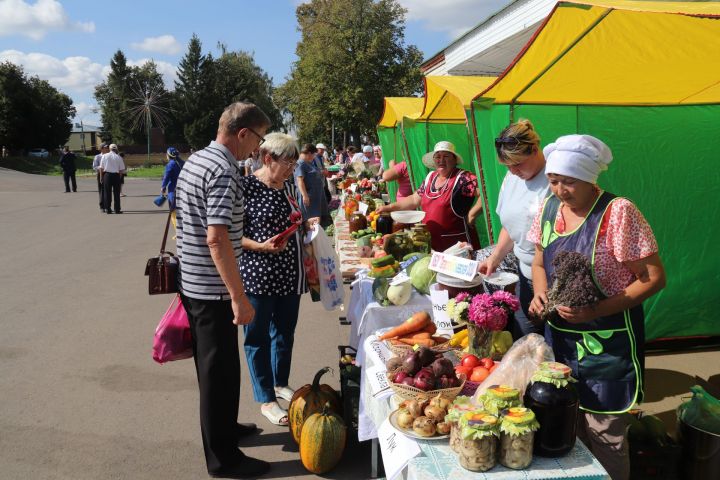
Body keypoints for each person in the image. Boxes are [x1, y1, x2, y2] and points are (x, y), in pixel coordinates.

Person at [527, 134, 666, 480]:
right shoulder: (548, 208)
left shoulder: (617, 213)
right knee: (565, 423)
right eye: (553, 180)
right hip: (559, 340)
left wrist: (596, 310)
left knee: (606, 433)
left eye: (569, 182)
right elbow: (540, 263)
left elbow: (653, 278)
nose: (560, 189)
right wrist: (539, 294)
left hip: (608, 343)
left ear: (591, 178)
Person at [175, 102, 271, 479]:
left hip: (196, 283)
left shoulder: (197, 160)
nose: (258, 150)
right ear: (243, 133)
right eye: (259, 139)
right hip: (213, 290)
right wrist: (238, 295)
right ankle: (223, 459)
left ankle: (225, 429)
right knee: (218, 373)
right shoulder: (223, 170)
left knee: (218, 368)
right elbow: (216, 239)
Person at [239, 133, 312, 426]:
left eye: (295, 163)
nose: (292, 168)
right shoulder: (247, 188)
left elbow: (293, 220)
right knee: (256, 337)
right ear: (268, 158)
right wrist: (259, 245)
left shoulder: (287, 187)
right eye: (287, 163)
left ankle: (280, 382)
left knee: (284, 332)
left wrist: (307, 224)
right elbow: (230, 235)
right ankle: (266, 399)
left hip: (289, 274)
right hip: (259, 275)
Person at [478, 119, 550, 339]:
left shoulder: (555, 179)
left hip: (553, 279)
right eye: (507, 165)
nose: (513, 170)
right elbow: (511, 226)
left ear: (535, 150)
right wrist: (495, 257)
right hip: (525, 275)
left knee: (555, 349)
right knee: (524, 339)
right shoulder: (512, 177)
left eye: (517, 164)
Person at [377, 141, 483, 251]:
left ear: (454, 160)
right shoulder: (430, 177)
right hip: (432, 244)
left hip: (458, 246)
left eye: (446, 156)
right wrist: (388, 207)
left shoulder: (463, 178)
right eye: (438, 156)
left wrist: (472, 214)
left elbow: (485, 195)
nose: (441, 160)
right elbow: (414, 199)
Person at [294, 143, 328, 222]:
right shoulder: (300, 164)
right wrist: (305, 196)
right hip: (309, 197)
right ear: (309, 153)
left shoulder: (307, 162)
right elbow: (300, 180)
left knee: (317, 220)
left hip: (315, 196)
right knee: (311, 220)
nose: (314, 157)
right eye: (314, 155)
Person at [99, 144, 126, 214]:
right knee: (116, 193)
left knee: (107, 192)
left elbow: (101, 168)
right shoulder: (119, 157)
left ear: (110, 149)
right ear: (116, 149)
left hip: (107, 175)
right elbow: (121, 170)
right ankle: (117, 209)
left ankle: (108, 209)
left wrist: (101, 177)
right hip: (116, 175)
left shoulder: (104, 156)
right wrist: (119, 177)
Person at [160, 147, 185, 211]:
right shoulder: (183, 163)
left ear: (168, 155)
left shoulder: (170, 164)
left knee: (173, 210)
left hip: (173, 189)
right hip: (184, 189)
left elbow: (166, 177)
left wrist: (163, 187)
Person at [93, 144, 109, 210]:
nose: (107, 149)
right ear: (101, 149)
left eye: (107, 148)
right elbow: (94, 167)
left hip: (108, 174)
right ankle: (102, 206)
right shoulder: (98, 157)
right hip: (101, 173)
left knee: (108, 190)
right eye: (105, 148)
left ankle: (107, 206)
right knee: (101, 190)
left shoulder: (109, 156)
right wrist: (101, 168)